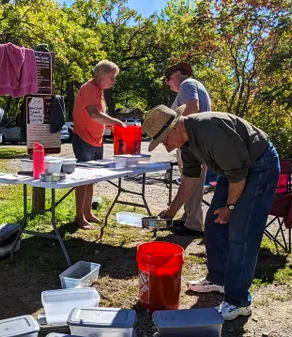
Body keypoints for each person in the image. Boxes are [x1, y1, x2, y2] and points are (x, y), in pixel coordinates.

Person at [143, 105, 279, 320]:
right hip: (232, 170)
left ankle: (239, 301)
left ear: (174, 129)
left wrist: (231, 207)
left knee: (241, 235)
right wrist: (171, 211)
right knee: (214, 226)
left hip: (258, 166)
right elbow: (190, 179)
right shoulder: (186, 143)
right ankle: (218, 279)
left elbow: (238, 175)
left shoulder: (211, 131)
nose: (167, 148)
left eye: (164, 141)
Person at [72, 60, 126, 230]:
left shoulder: (99, 91)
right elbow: (94, 114)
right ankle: (79, 217)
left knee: (92, 179)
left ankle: (87, 213)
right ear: (100, 74)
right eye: (112, 77)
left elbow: (100, 115)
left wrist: (109, 124)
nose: (113, 81)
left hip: (97, 140)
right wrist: (117, 123)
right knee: (83, 179)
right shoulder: (89, 88)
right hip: (84, 140)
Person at [162, 62, 212, 236]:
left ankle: (193, 224)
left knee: (192, 182)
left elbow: (192, 108)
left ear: (176, 74)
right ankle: (187, 218)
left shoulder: (187, 84)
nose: (168, 84)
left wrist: (177, 132)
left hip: (191, 142)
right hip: (192, 142)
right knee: (188, 181)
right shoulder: (190, 86)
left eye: (168, 80)